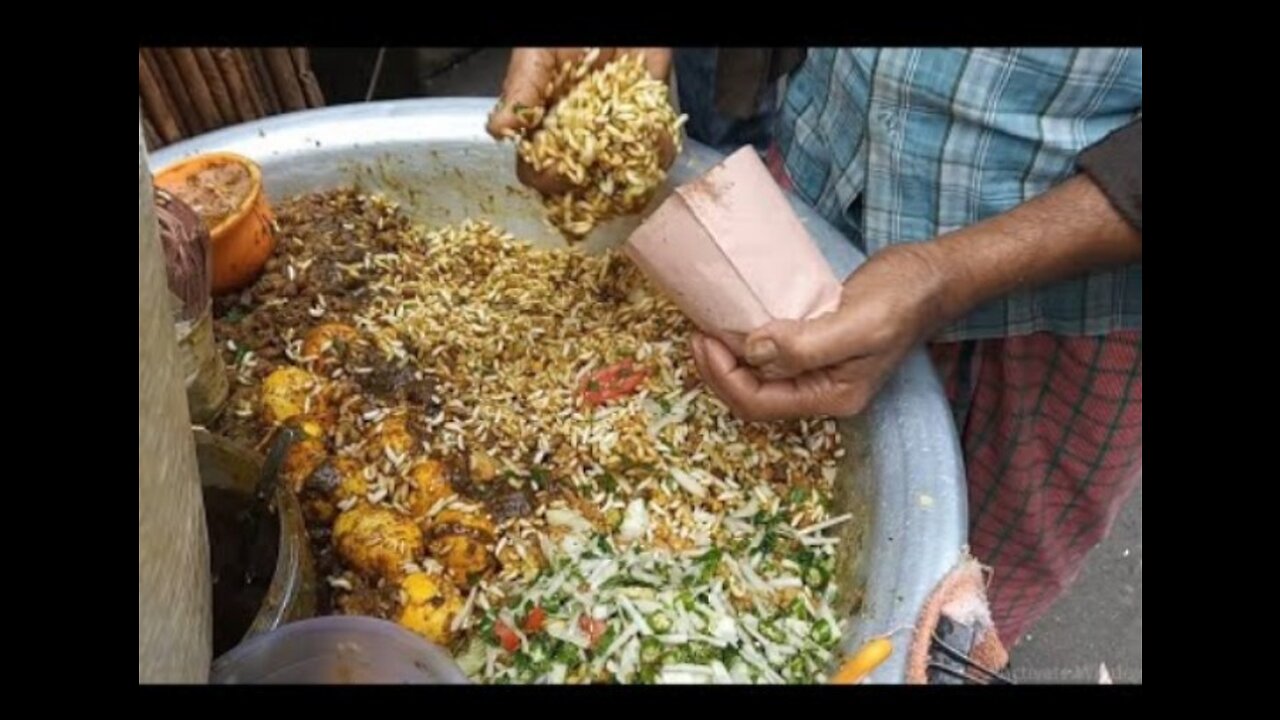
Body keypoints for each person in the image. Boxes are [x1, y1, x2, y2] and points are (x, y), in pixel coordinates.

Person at [488, 48, 1142, 649]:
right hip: (813, 182)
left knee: (958, 603)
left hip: (1068, 309)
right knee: (749, 499)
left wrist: (945, 279)